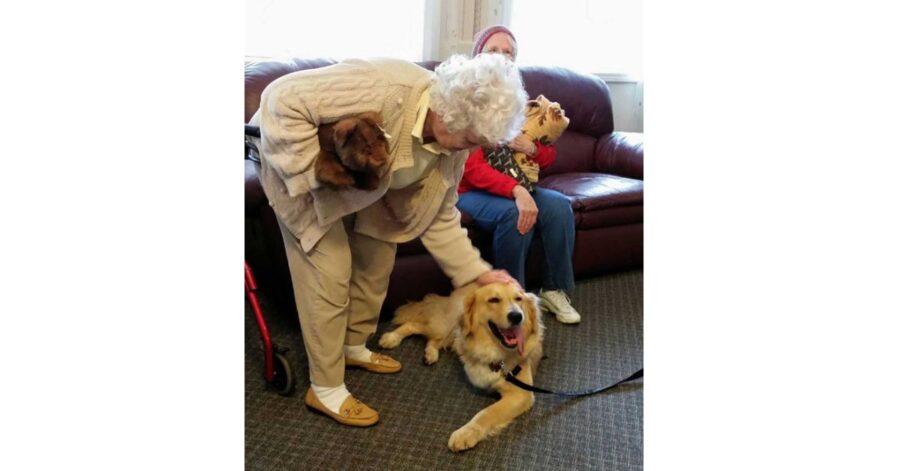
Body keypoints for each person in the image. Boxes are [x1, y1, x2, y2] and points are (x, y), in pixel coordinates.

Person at [248, 53, 528, 427]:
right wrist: (316, 178)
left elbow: (440, 213)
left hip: (364, 188)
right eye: (468, 138)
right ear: (449, 112)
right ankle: (326, 388)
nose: (468, 149)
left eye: (477, 142)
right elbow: (281, 98)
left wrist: (479, 273)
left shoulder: (453, 145)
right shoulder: (386, 88)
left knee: (378, 256)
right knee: (329, 268)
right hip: (296, 169)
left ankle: (352, 346)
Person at [457, 25, 582, 324]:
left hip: (517, 183)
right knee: (514, 215)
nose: (501, 58)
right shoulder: (464, 97)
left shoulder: (522, 101)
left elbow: (547, 158)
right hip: (470, 192)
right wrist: (517, 191)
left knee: (558, 207)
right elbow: (471, 169)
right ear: (478, 56)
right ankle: (515, 300)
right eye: (493, 51)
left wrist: (533, 149)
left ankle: (553, 289)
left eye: (508, 52)